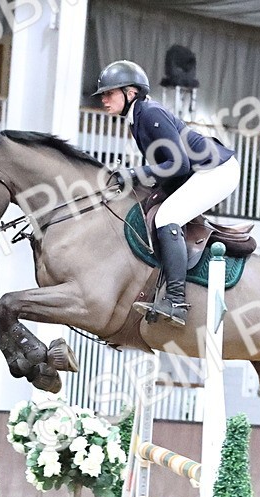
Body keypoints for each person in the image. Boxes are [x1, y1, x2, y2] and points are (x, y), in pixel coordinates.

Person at [94, 59, 240, 327]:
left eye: (110, 93)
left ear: (131, 93)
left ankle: (175, 301)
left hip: (216, 169)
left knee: (167, 218)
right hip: (198, 171)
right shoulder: (136, 119)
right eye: (103, 94)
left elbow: (178, 164)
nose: (104, 99)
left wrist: (134, 174)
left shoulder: (149, 113)